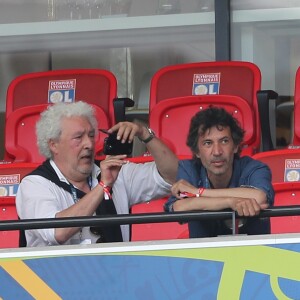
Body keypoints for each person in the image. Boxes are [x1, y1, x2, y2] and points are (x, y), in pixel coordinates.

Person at [16, 101, 178, 247]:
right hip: (54, 279)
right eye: (78, 137)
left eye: (92, 136)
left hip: (115, 274)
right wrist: (103, 186)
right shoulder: (34, 184)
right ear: (54, 145)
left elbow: (173, 177)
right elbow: (58, 232)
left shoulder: (114, 170)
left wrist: (145, 134)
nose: (89, 144)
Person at [164, 106, 274, 238]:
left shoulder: (254, 167)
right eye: (208, 143)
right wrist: (229, 202)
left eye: (224, 141)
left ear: (235, 146)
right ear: (197, 151)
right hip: (204, 256)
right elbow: (179, 207)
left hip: (254, 254)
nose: (217, 152)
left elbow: (259, 197)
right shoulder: (189, 169)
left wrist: (198, 193)